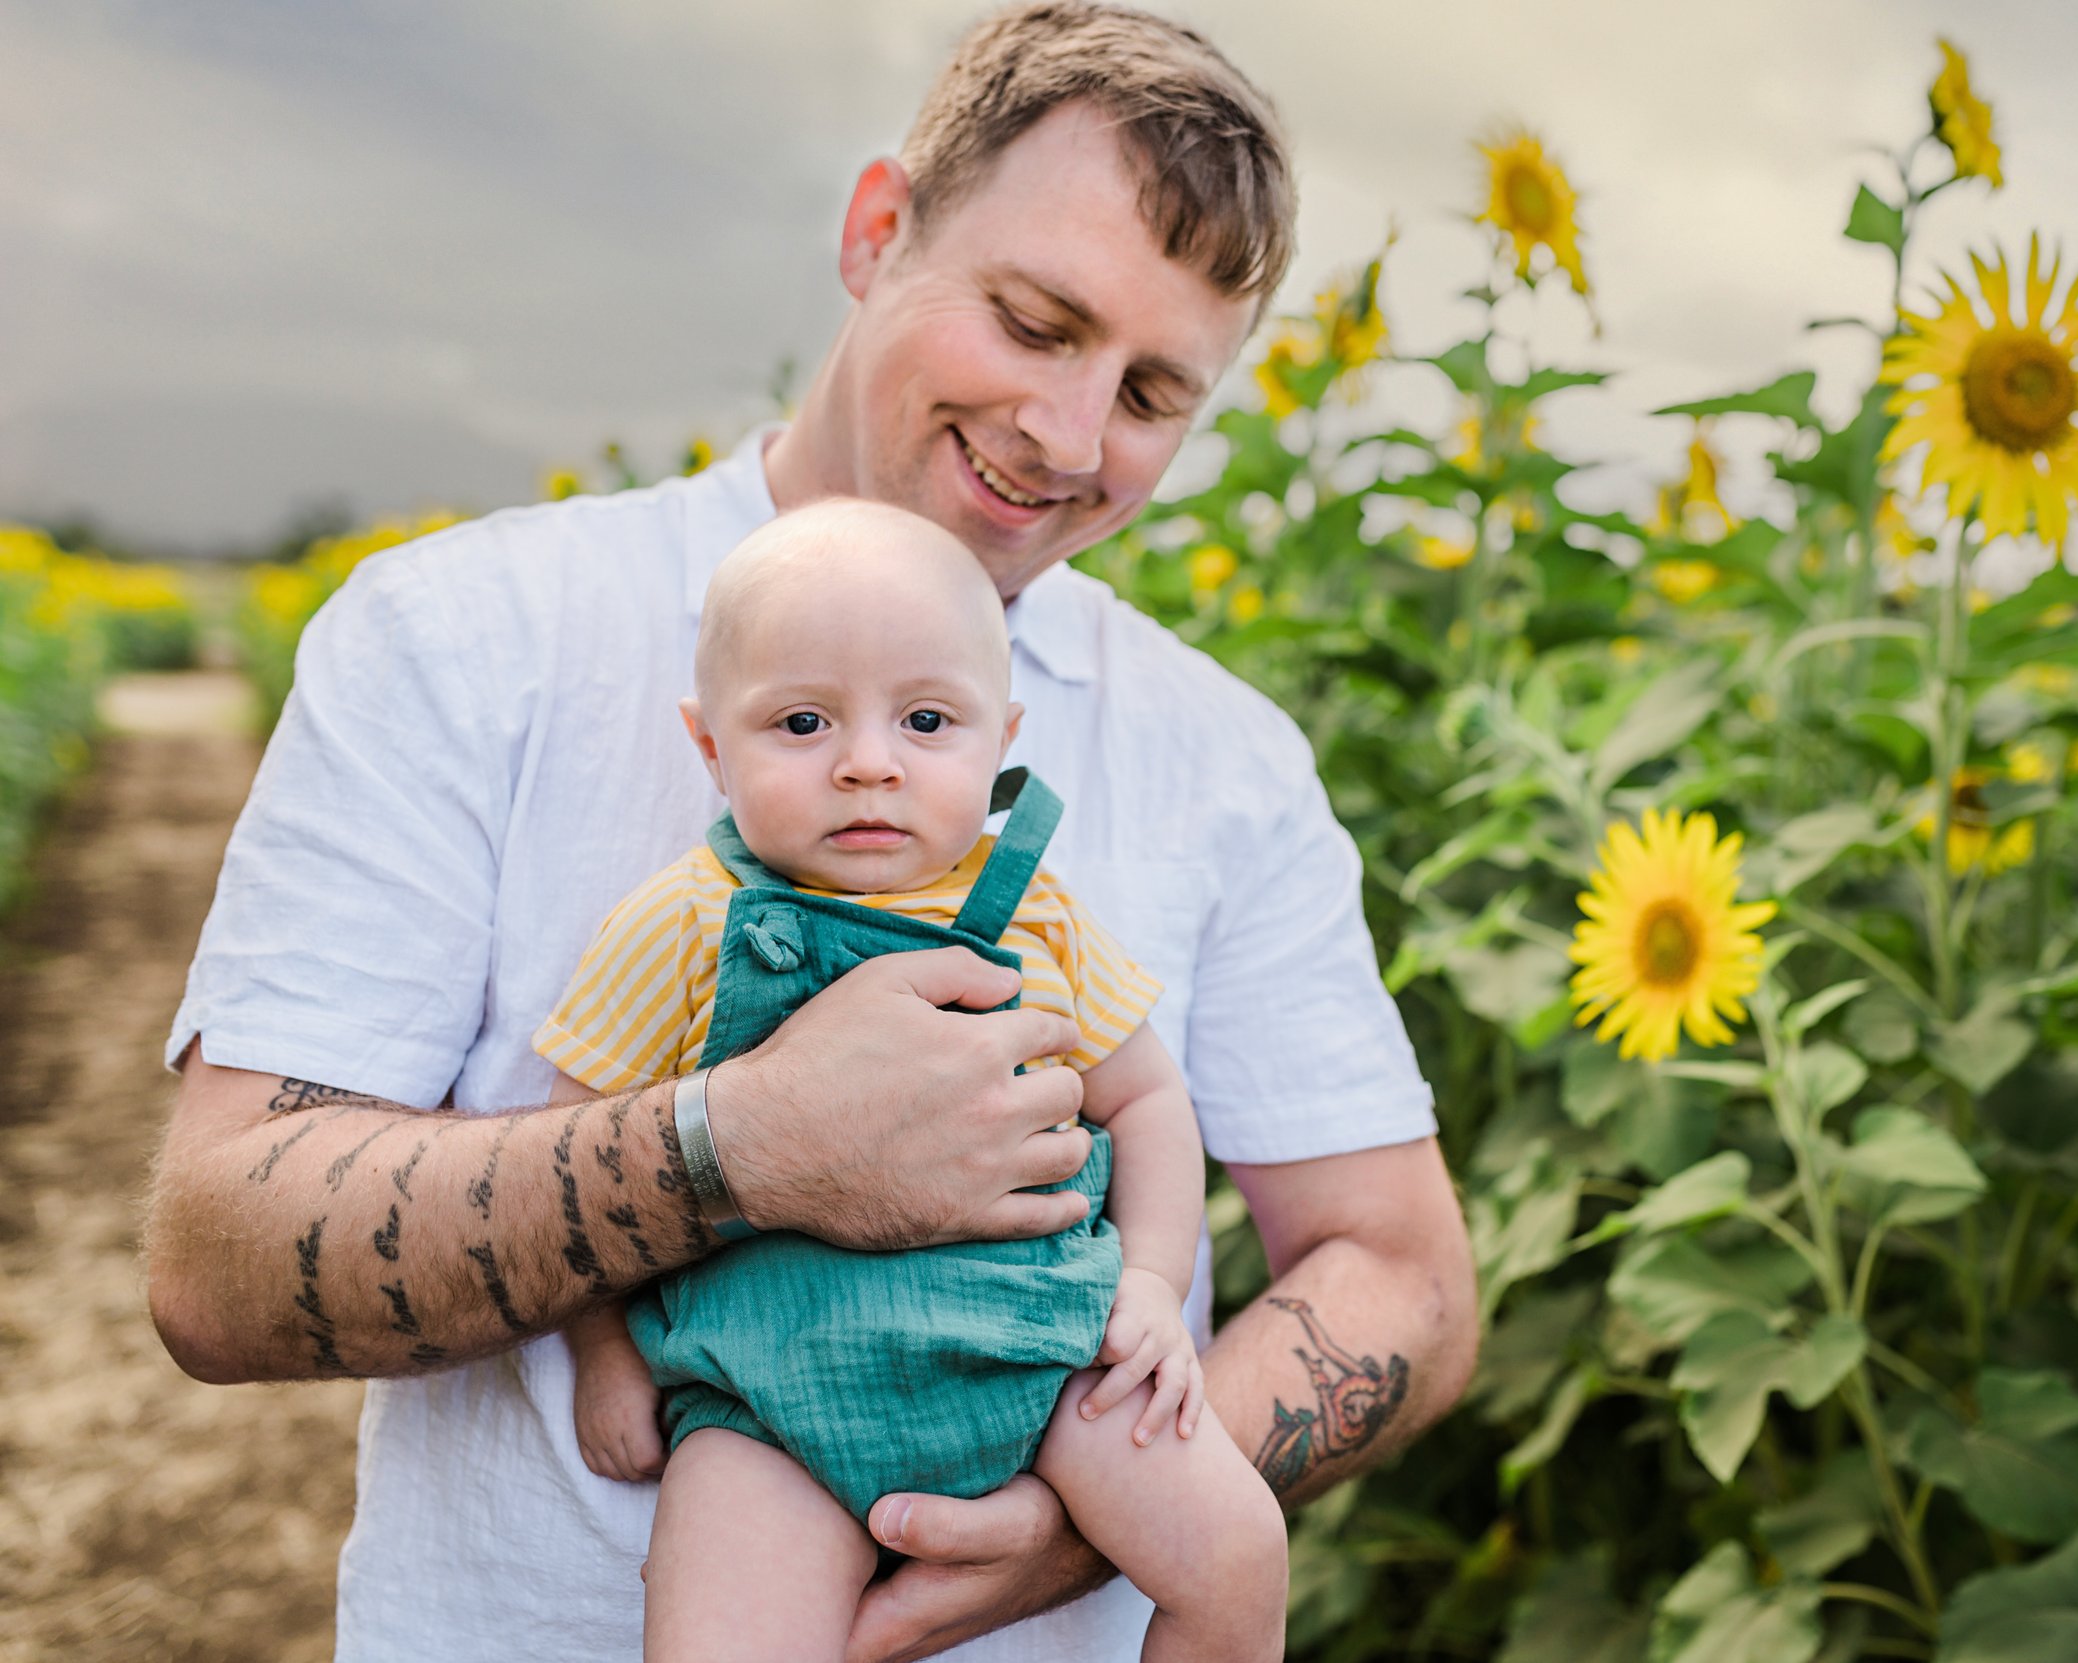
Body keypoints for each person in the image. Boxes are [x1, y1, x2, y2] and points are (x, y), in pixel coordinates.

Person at [145, 7, 1477, 1661]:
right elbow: (217, 1256)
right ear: (874, 233)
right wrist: (744, 1144)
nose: (1069, 436)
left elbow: (1403, 1276)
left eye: (1148, 390)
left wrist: (1083, 1512)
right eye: (1031, 318)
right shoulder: (466, 633)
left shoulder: (1224, 757)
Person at [549, 497, 1286, 1661]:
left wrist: (1152, 1282)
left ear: (1003, 736)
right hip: (769, 1399)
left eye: (927, 719)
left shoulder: (1034, 909)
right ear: (709, 746)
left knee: (1237, 1558)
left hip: (1046, 1357)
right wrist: (601, 1356)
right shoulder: (685, 921)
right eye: (801, 721)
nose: (867, 764)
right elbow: (575, 1156)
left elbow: (1145, 1098)